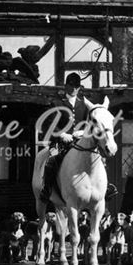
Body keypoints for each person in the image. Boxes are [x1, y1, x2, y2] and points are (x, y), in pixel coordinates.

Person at [39, 72, 91, 205]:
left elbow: (89, 124)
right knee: (51, 160)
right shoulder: (56, 103)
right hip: (60, 143)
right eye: (71, 85)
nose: (74, 89)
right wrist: (62, 134)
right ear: (66, 86)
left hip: (80, 142)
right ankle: (47, 189)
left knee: (97, 159)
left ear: (79, 88)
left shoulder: (84, 105)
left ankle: (104, 188)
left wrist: (82, 132)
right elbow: (49, 124)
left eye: (77, 86)